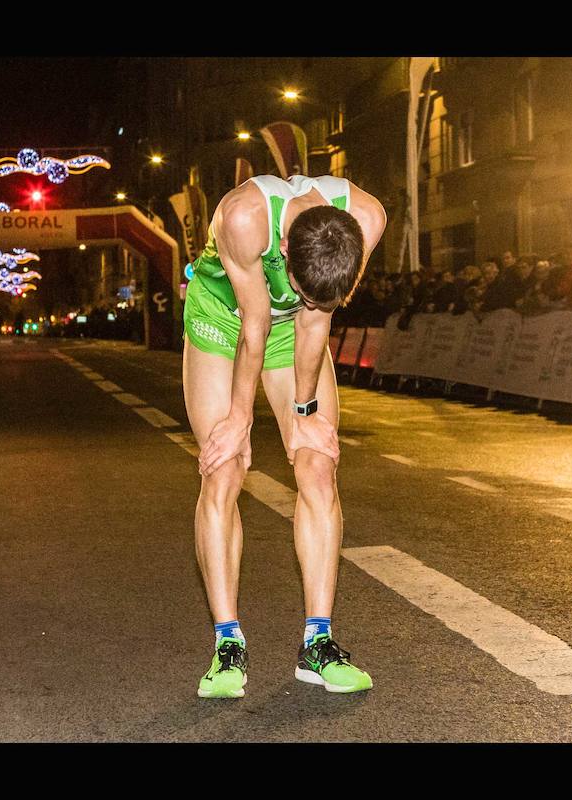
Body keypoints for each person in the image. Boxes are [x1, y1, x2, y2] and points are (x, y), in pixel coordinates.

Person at [184, 174, 386, 698]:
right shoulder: (245, 217)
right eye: (296, 284)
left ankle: (318, 644)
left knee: (317, 465)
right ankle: (228, 646)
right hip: (223, 319)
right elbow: (254, 328)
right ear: (287, 250)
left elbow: (315, 321)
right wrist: (239, 419)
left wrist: (305, 413)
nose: (300, 295)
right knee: (223, 468)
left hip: (290, 332)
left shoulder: (367, 219)